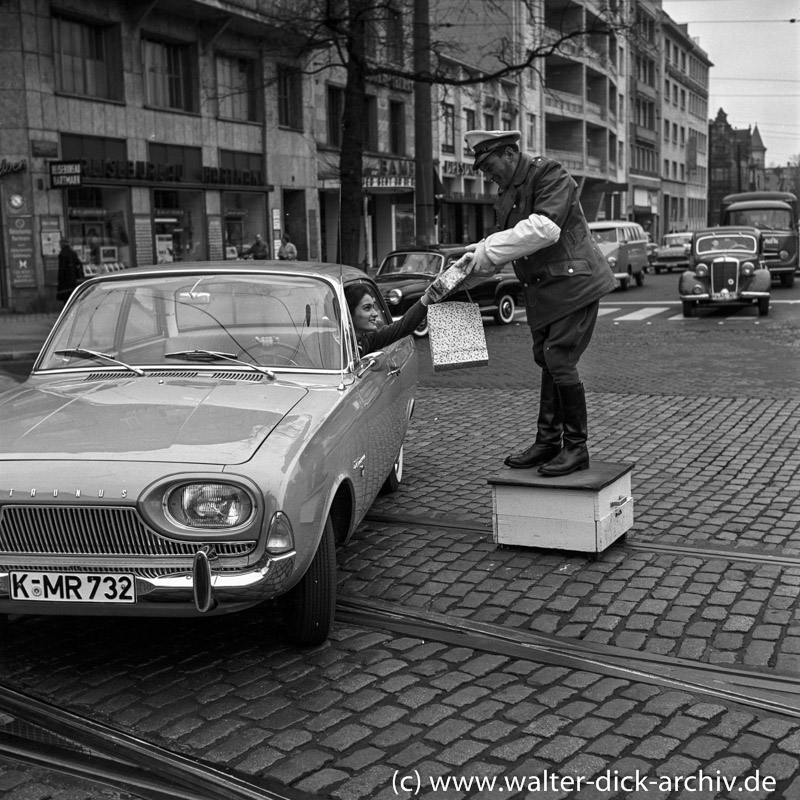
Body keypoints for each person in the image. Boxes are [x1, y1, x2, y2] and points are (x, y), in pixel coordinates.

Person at [461, 129, 616, 477]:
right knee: (548, 360)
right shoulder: (505, 195)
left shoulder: (550, 173)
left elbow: (545, 229)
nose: (487, 174)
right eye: (482, 169)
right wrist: (463, 274)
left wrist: (485, 250)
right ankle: (548, 441)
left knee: (559, 358)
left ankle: (576, 447)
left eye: (489, 164)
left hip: (574, 284)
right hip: (545, 291)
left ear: (511, 153)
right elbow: (505, 249)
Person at [345, 279, 450, 356]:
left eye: (374, 307)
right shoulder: (336, 348)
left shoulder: (369, 339)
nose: (375, 313)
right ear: (349, 313)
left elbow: (403, 326)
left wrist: (435, 292)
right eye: (367, 308)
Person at [56, 238, 84, 304]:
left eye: (60, 244)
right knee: (72, 299)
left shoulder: (62, 254)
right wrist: (79, 275)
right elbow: (79, 264)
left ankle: (68, 312)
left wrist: (60, 279)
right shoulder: (73, 253)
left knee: (66, 300)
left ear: (62, 244)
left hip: (66, 282)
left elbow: (62, 269)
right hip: (73, 280)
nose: (59, 245)